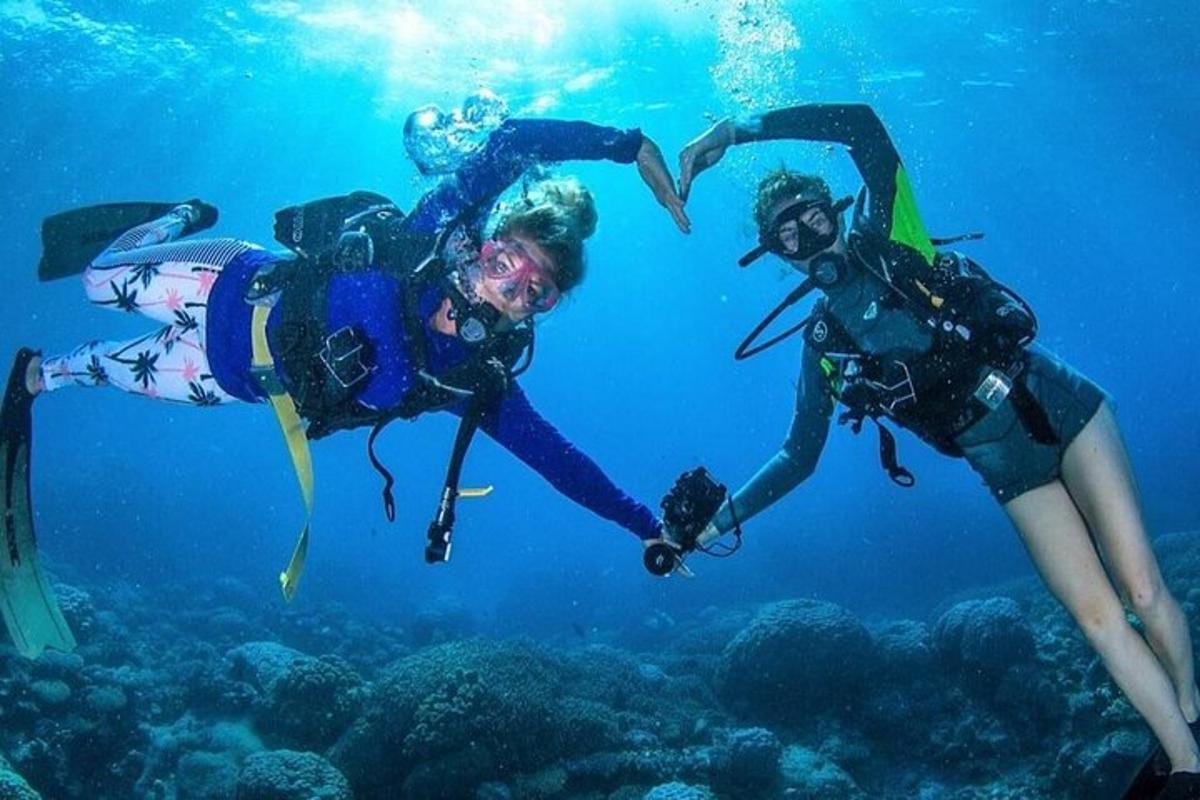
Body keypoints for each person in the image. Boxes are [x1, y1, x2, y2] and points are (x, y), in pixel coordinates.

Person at [675, 102, 1199, 798]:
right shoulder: (826, 343)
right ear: (777, 254)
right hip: (1006, 466)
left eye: (813, 219)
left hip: (1061, 408)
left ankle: (1190, 712)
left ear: (836, 212)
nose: (807, 239)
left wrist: (734, 131)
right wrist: (713, 525)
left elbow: (862, 126)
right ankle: (1186, 765)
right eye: (788, 236)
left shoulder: (894, 237)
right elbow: (799, 455)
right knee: (1097, 618)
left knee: (1142, 590)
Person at [9, 115, 690, 611]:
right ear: (486, 245)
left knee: (83, 370)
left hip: (233, 376)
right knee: (97, 281)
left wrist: (645, 526)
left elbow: (558, 460)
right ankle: (178, 217)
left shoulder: (470, 380)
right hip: (227, 284)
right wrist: (628, 146)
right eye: (506, 262)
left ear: (542, 308)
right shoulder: (428, 237)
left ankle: (34, 375)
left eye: (534, 292)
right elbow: (513, 142)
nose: (509, 289)